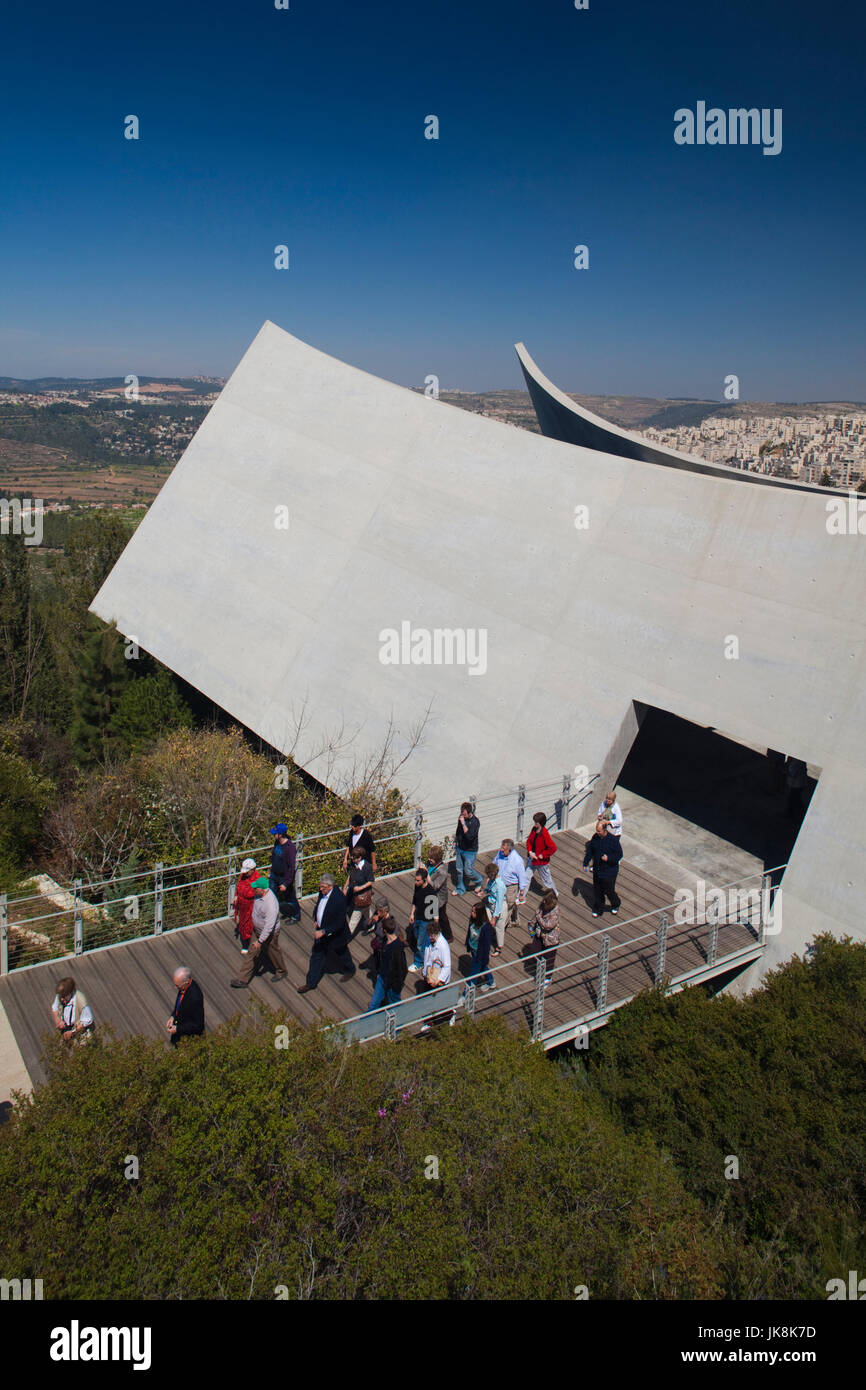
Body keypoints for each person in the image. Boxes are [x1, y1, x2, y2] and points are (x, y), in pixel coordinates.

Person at [298, 873, 356, 994]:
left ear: (330, 886)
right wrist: (316, 918)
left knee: (342, 952)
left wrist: (324, 931)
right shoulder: (322, 892)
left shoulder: (339, 899)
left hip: (335, 935)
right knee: (316, 956)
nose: (320, 889)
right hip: (321, 931)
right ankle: (311, 983)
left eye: (323, 887)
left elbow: (339, 923)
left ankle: (350, 969)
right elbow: (319, 905)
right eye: (320, 886)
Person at [231, 877, 288, 987]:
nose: (254, 890)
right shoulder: (259, 894)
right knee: (252, 952)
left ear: (263, 889)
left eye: (256, 888)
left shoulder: (271, 905)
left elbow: (269, 926)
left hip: (269, 933)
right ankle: (242, 980)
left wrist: (260, 941)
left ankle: (281, 971)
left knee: (273, 952)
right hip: (257, 929)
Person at [366, 915, 409, 1013]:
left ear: (385, 930)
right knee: (373, 1004)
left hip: (392, 983)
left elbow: (402, 968)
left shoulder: (397, 947)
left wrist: (396, 984)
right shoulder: (386, 941)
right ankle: (366, 1024)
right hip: (382, 977)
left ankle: (398, 1026)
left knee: (395, 1005)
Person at [582, 820, 623, 917]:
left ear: (604, 830)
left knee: (609, 891)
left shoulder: (613, 840)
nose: (597, 832)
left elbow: (619, 855)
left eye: (599, 831)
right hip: (598, 869)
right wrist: (586, 862)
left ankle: (616, 903)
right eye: (596, 830)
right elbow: (590, 851)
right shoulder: (595, 838)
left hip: (609, 871)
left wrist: (608, 858)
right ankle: (598, 908)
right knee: (598, 890)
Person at [419, 922, 455, 1031]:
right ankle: (429, 1022)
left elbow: (447, 966)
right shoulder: (430, 941)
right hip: (430, 975)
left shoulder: (443, 946)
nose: (430, 937)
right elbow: (427, 957)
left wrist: (439, 980)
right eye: (429, 935)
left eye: (432, 935)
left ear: (437, 933)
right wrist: (425, 972)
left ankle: (451, 1014)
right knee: (428, 999)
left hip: (439, 978)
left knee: (440, 1001)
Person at [494, 838, 529, 936]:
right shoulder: (500, 853)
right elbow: (495, 862)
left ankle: (500, 929)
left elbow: (522, 877)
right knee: (507, 904)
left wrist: (521, 892)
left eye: (503, 848)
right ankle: (516, 920)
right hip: (500, 884)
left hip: (511, 887)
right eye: (501, 847)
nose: (501, 850)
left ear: (510, 849)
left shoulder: (517, 860)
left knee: (506, 908)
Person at [408, 866, 437, 973]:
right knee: (417, 936)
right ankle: (425, 953)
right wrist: (412, 914)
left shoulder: (430, 892)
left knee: (420, 942)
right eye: (415, 880)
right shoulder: (417, 887)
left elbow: (434, 910)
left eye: (418, 880)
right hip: (418, 917)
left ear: (424, 880)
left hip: (426, 920)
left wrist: (435, 924)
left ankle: (419, 962)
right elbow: (414, 901)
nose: (416, 882)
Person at [166, 966, 205, 1045]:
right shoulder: (183, 987)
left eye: (177, 986)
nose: (175, 987)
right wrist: (173, 1016)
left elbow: (198, 1025)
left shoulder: (195, 998)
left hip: (188, 1041)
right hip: (178, 1034)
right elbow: (179, 1005)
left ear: (186, 982)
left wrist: (178, 1029)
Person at [269, 823, 300, 922]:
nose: (274, 835)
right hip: (274, 875)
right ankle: (272, 916)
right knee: (270, 895)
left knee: (290, 897)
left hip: (284, 878)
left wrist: (286, 883)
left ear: (281, 834)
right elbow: (274, 857)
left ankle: (296, 915)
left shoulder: (290, 848)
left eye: (275, 833)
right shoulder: (277, 843)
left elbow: (291, 867)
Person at [528, 890, 560, 984]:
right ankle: (541, 970)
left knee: (549, 959)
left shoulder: (555, 911)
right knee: (536, 953)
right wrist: (532, 928)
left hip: (550, 939)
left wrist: (539, 918)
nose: (543, 902)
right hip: (539, 935)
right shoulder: (542, 905)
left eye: (545, 900)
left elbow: (548, 925)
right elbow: (537, 913)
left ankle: (547, 978)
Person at [344, 844, 375, 937]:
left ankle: (347, 936)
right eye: (352, 858)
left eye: (355, 858)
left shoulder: (367, 867)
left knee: (355, 917)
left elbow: (370, 881)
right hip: (355, 894)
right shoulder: (354, 865)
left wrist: (360, 888)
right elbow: (350, 876)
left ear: (360, 857)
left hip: (363, 895)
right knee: (367, 912)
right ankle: (373, 923)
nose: (353, 860)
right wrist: (345, 887)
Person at [452, 801, 482, 895]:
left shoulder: (475, 822)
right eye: (462, 813)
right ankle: (460, 888)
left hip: (470, 850)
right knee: (459, 870)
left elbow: (469, 837)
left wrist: (463, 823)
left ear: (469, 813)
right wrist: (455, 841)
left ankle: (479, 880)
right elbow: (458, 831)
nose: (462, 815)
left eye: (464, 814)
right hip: (460, 848)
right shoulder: (461, 818)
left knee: (468, 871)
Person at [526, 812, 559, 895]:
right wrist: (530, 852)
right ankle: (521, 897)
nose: (534, 824)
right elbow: (529, 841)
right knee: (526, 877)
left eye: (536, 822)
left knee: (547, 881)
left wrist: (542, 855)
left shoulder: (545, 833)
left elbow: (553, 848)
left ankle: (554, 894)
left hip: (541, 863)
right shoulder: (534, 829)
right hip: (532, 859)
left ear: (540, 823)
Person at [51, 977, 93, 1042]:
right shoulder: (60, 996)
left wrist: (72, 1032)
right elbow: (54, 1009)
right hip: (65, 1031)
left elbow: (87, 1021)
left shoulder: (80, 1000)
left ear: (70, 993)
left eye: (64, 996)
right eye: (60, 996)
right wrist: (59, 1022)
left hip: (81, 1034)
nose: (61, 999)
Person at [466, 899, 494, 991]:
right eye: (472, 911)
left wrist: (485, 958)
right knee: (483, 966)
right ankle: (491, 981)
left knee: (473, 975)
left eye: (474, 912)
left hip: (480, 953)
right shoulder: (472, 922)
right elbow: (469, 934)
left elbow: (486, 946)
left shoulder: (486, 928)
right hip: (473, 949)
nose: (472, 913)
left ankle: (466, 994)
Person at [232, 857, 258, 953]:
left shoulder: (257, 878)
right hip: (242, 906)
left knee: (250, 925)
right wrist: (236, 896)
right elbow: (239, 886)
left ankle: (250, 945)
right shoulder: (243, 876)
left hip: (252, 906)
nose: (245, 873)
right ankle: (245, 944)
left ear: (252, 870)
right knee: (243, 925)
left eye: (247, 871)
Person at [427, 845, 452, 941]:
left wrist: (427, 877)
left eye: (431, 858)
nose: (429, 860)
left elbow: (435, 886)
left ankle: (448, 935)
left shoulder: (442, 871)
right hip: (431, 897)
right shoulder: (432, 865)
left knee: (442, 917)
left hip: (439, 898)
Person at [484, 861, 507, 956]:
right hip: (490, 905)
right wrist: (485, 890)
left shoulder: (500, 885)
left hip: (499, 907)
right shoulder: (491, 881)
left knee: (499, 928)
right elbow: (489, 890)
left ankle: (499, 947)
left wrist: (494, 917)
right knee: (486, 920)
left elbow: (499, 902)